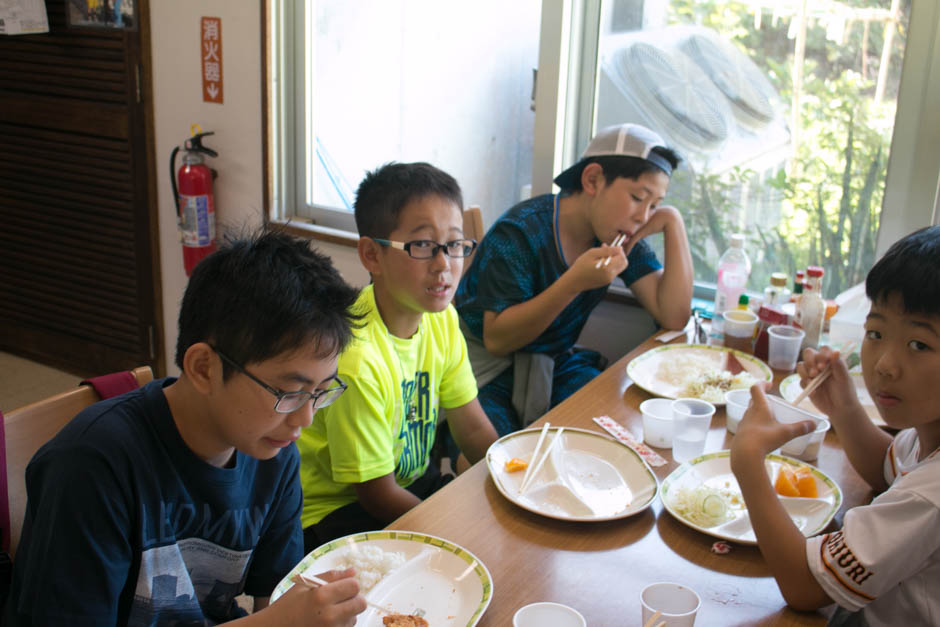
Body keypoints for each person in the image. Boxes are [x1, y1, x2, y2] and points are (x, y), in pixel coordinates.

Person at [5, 231, 368, 626]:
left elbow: (279, 600)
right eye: (289, 391)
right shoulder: (91, 467)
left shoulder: (273, 451)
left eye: (320, 391)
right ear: (203, 368)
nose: (305, 419)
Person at [730, 225, 940, 626]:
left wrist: (748, 463)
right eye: (876, 333)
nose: (883, 364)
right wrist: (844, 408)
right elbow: (886, 467)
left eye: (919, 345)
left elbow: (806, 589)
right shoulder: (929, 432)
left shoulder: (931, 497)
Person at [297, 162, 499, 552]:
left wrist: (511, 482)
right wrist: (452, 538)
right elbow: (375, 494)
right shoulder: (356, 358)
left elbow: (472, 428)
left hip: (405, 484)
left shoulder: (441, 320)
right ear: (372, 255)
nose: (445, 264)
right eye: (423, 245)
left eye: (455, 244)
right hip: (337, 513)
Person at [454, 123, 693, 438]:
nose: (643, 216)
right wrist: (573, 282)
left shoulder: (618, 234)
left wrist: (673, 223)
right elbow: (498, 340)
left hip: (554, 362)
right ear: (593, 180)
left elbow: (674, 315)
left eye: (655, 205)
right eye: (638, 197)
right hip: (487, 369)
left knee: (612, 432)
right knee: (498, 457)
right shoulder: (520, 232)